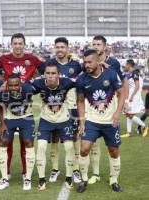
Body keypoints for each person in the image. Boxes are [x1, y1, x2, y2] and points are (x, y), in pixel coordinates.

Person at [0, 33, 43, 181]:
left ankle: (25, 173)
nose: (18, 46)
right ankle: (6, 173)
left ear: (24, 45)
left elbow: (45, 69)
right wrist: (2, 80)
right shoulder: (4, 59)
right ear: (11, 44)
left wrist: (32, 81)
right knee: (6, 143)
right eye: (15, 43)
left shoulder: (32, 59)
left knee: (25, 142)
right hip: (9, 102)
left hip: (24, 101)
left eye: (20, 43)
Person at [76, 49, 125, 193]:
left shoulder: (110, 74)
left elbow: (121, 93)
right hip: (92, 120)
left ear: (98, 61)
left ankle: (114, 180)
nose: (86, 65)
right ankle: (84, 180)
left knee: (113, 151)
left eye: (89, 62)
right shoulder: (81, 79)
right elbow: (80, 101)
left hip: (111, 121)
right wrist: (82, 121)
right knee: (84, 149)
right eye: (84, 62)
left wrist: (117, 112)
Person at [40, 37, 82, 183]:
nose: (59, 49)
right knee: (55, 138)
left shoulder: (76, 65)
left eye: (62, 47)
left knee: (74, 139)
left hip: (73, 108)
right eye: (57, 47)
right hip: (55, 110)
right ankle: (55, 169)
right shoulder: (49, 65)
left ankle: (75, 169)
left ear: (67, 48)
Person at [88, 35, 128, 185]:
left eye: (99, 44)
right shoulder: (88, 62)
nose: (96, 46)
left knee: (113, 147)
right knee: (92, 144)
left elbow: (122, 81)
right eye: (94, 44)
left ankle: (113, 179)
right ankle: (96, 173)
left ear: (105, 47)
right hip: (93, 109)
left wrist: (125, 101)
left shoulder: (113, 63)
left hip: (110, 110)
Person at [32, 63, 75, 190]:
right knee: (41, 146)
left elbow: (83, 82)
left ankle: (68, 177)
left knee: (69, 146)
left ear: (58, 74)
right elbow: (23, 86)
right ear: (44, 74)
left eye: (53, 73)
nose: (50, 76)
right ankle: (41, 179)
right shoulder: (38, 83)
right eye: (48, 73)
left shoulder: (66, 82)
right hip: (46, 120)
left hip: (64, 119)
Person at [0, 73, 35, 190]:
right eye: (11, 85)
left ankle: (27, 178)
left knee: (28, 143)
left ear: (21, 84)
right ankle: (4, 178)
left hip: (26, 117)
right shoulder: (2, 92)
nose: (13, 88)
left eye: (16, 85)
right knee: (3, 143)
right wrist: (2, 123)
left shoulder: (28, 89)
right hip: (10, 119)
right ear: (7, 85)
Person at [121, 59, 148, 137]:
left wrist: (132, 96)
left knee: (130, 115)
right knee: (128, 114)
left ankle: (145, 127)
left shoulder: (134, 73)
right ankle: (128, 133)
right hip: (131, 96)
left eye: (125, 65)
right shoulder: (130, 74)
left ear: (129, 65)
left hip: (133, 97)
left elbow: (137, 86)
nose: (124, 67)